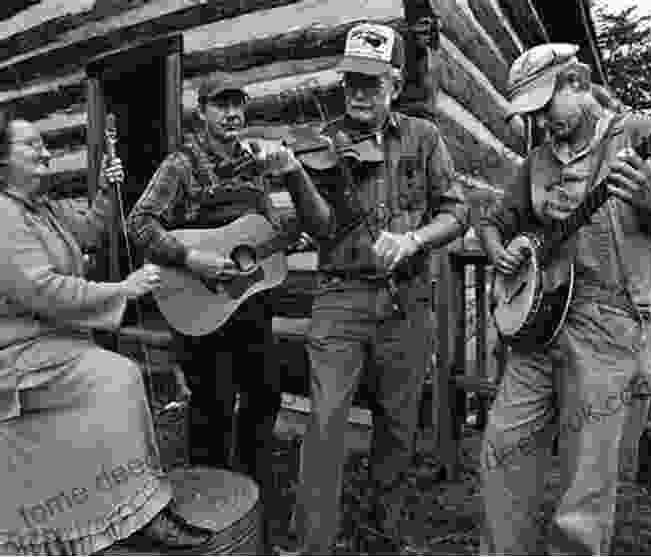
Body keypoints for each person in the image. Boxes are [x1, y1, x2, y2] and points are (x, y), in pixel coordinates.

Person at [478, 43, 651, 555]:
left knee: (584, 490)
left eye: (547, 107)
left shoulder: (640, 134)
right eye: (532, 114)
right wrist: (501, 252)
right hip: (539, 323)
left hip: (610, 327)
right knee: (502, 448)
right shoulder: (537, 159)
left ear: (579, 83)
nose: (542, 123)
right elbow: (495, 221)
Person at [127, 73, 328, 550]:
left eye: (237, 104)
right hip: (197, 303)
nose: (232, 113)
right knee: (212, 405)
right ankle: (208, 509)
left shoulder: (257, 161)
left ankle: (251, 488)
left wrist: (283, 236)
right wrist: (190, 257)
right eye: (221, 105)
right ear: (202, 112)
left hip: (248, 302)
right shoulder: (181, 165)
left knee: (265, 393)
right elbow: (139, 222)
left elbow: (257, 230)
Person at [289, 22, 469, 554]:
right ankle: (313, 543)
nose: (359, 94)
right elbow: (320, 227)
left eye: (370, 82)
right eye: (350, 83)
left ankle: (384, 532)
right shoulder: (322, 145)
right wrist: (295, 177)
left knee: (399, 421)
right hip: (340, 297)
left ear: (393, 82)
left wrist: (414, 240)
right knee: (325, 420)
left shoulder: (423, 136)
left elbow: (456, 212)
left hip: (407, 300)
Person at [0, 113, 215, 555]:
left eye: (45, 144)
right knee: (116, 378)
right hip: (16, 352)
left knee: (116, 375)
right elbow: (42, 289)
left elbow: (93, 231)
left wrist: (103, 190)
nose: (46, 152)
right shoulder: (3, 217)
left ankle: (125, 506)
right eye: (31, 146)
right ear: (1, 158)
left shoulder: (42, 207)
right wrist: (123, 289)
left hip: (54, 342)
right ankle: (137, 515)